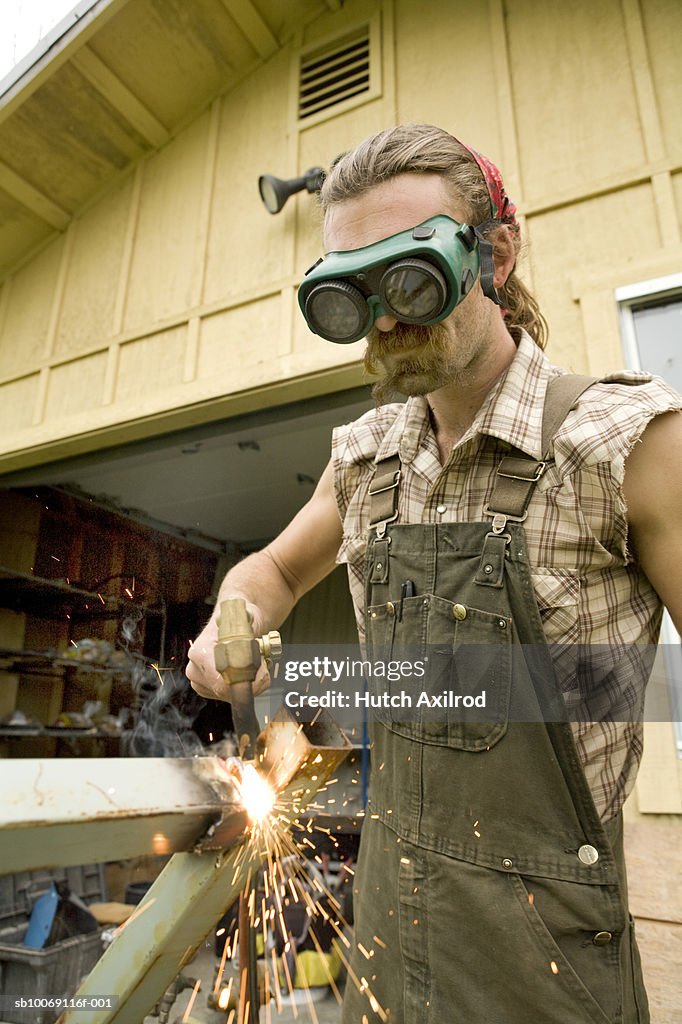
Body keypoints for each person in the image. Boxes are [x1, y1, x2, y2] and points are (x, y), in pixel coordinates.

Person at [187, 124, 682, 1023]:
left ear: (495, 251)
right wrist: (234, 616)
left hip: (546, 964)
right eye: (351, 295)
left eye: (411, 278)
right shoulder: (367, 457)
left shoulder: (624, 446)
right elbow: (272, 569)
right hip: (387, 928)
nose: (383, 320)